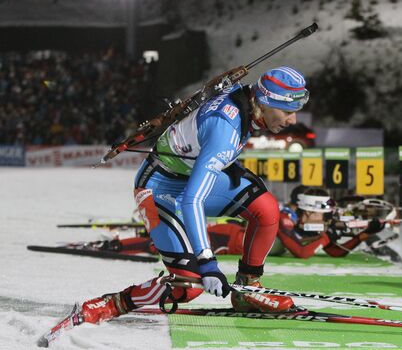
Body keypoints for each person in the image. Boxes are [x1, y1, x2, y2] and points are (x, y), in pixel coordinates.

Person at [78, 66, 310, 325]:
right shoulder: (225, 132)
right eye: (287, 112)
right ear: (265, 102)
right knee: (188, 286)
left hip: (187, 177)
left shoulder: (243, 95)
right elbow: (192, 199)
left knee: (266, 209)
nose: (292, 120)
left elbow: (214, 90)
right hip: (157, 190)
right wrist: (207, 261)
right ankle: (113, 303)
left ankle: (248, 288)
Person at [208, 186, 386, 259]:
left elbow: (335, 251)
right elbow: (301, 252)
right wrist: (326, 236)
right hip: (221, 237)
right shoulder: (283, 218)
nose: (327, 219)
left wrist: (364, 235)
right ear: (308, 212)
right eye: (323, 215)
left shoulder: (307, 225)